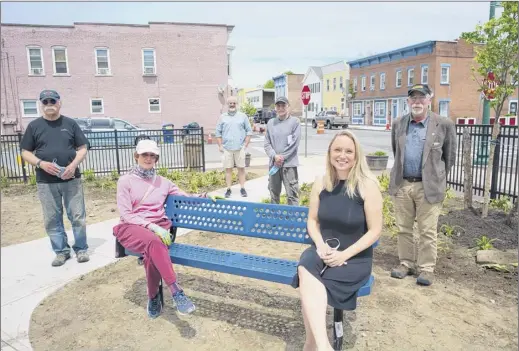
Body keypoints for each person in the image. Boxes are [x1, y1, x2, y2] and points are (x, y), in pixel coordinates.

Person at [291, 130, 383, 351]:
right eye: (338, 150)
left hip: (354, 257)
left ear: (356, 155)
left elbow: (375, 230)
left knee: (313, 283)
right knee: (306, 266)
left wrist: (344, 254)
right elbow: (312, 221)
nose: (343, 155)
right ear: (330, 153)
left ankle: (312, 345)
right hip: (324, 250)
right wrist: (320, 245)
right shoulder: (321, 183)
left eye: (349, 151)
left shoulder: (367, 185)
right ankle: (321, 346)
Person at [114, 139, 224, 318]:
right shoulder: (125, 181)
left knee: (152, 251)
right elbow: (126, 214)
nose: (148, 158)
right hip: (133, 227)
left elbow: (185, 198)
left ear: (156, 158)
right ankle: (176, 291)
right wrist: (151, 227)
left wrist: (206, 196)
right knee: (153, 241)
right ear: (136, 156)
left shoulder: (163, 182)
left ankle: (153, 296)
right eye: (144, 155)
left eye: (152, 155)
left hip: (159, 229)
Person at [388, 84, 456, 286]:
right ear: (408, 102)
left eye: (421, 98)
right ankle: (406, 263)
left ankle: (426, 268)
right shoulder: (399, 123)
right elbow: (396, 152)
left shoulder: (443, 124)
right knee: (403, 228)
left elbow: (449, 157)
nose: (417, 102)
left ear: (429, 100)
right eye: (413, 98)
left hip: (428, 187)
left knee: (427, 231)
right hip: (403, 185)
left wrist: (437, 179)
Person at [20, 90, 90, 267]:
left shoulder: (70, 124)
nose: (49, 104)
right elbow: (25, 152)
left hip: (71, 179)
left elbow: (82, 148)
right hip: (46, 181)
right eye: (45, 101)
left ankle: (81, 249)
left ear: (59, 103)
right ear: (41, 105)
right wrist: (40, 163)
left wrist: (73, 165)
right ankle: (61, 252)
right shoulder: (34, 126)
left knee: (77, 216)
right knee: (52, 218)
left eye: (53, 100)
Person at [264, 96, 301, 205]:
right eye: (278, 106)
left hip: (289, 165)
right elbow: (267, 143)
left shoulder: (295, 122)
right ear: (275, 107)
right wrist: (274, 156)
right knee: (273, 193)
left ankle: (293, 220)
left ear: (288, 107)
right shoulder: (271, 123)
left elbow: (295, 143)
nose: (281, 108)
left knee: (292, 194)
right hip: (274, 165)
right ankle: (275, 220)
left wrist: (282, 157)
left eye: (283, 105)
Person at [215, 96, 253, 198]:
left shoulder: (243, 116)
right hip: (227, 148)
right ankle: (228, 189)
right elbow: (217, 132)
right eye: (230, 103)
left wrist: (245, 145)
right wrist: (220, 145)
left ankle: (242, 188)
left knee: (241, 168)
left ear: (237, 104)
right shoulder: (222, 117)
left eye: (234, 103)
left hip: (240, 148)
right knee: (228, 169)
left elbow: (249, 131)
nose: (232, 105)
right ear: (227, 105)